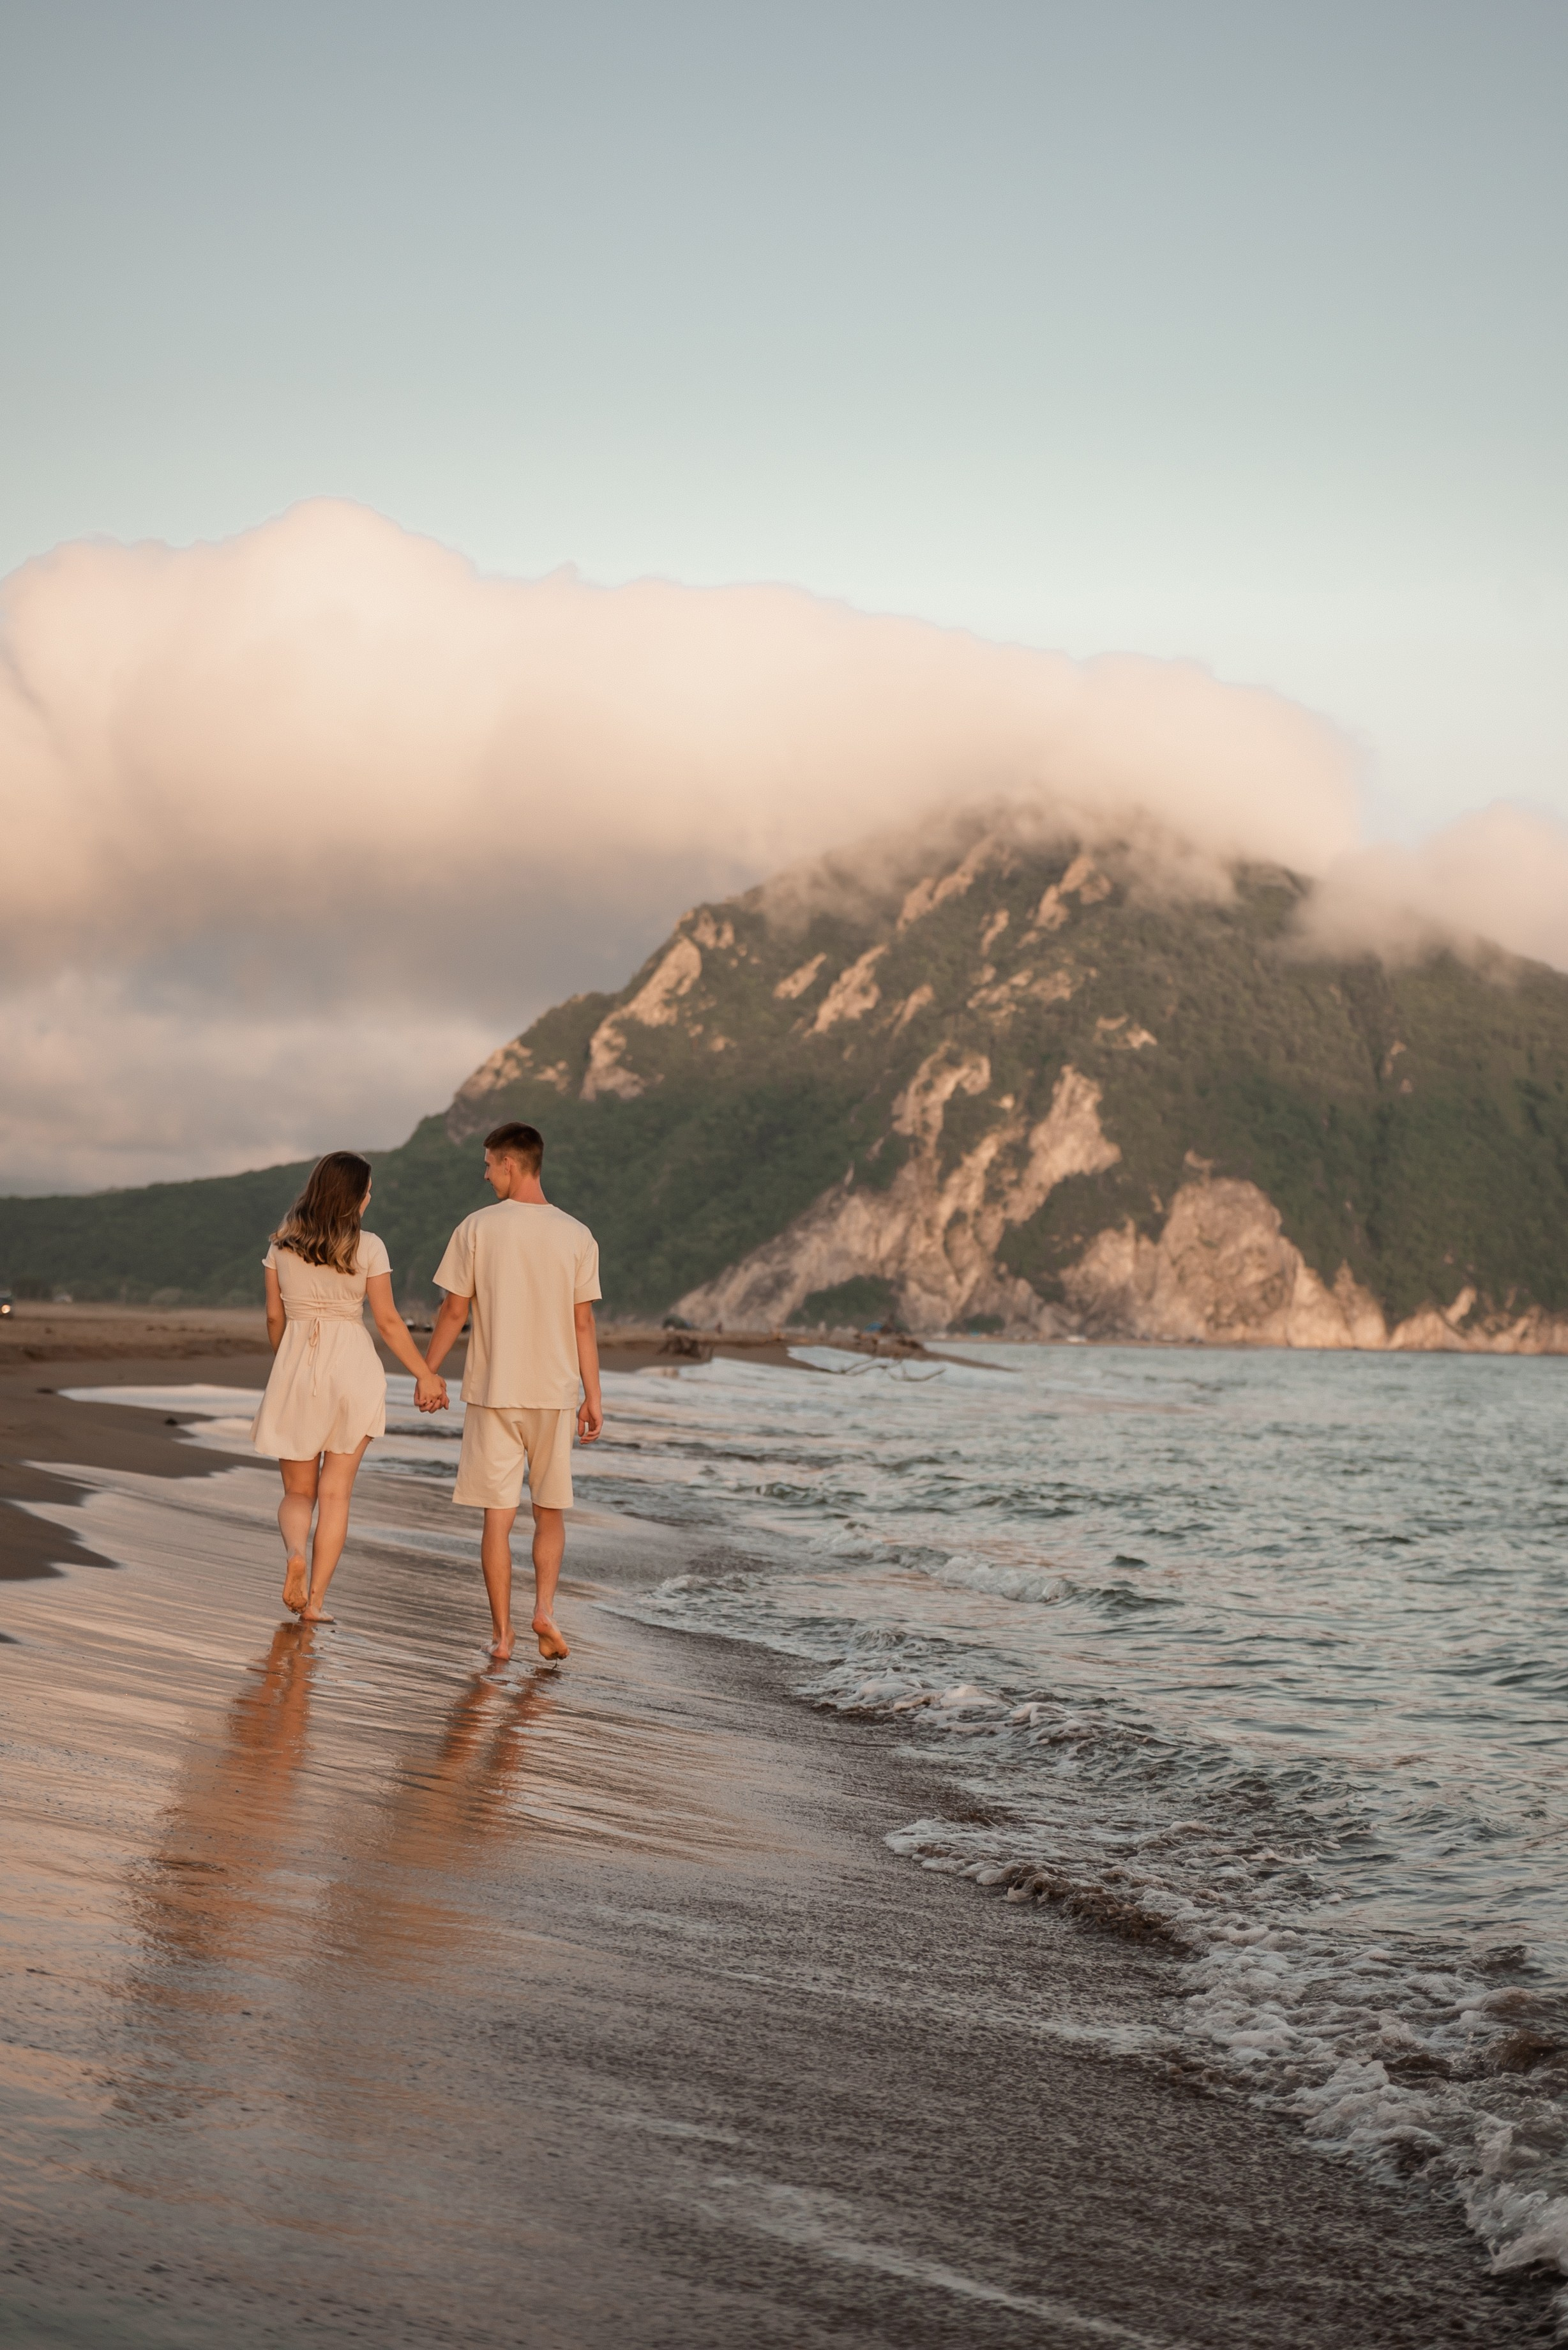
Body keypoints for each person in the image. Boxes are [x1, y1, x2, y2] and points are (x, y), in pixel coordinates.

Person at [423, 1122, 604, 1662]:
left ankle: (503, 1638)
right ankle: (544, 1610)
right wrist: (592, 1396)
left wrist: (427, 1372)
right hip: (553, 1391)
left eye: (488, 1164)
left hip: (495, 1392)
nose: (484, 1174)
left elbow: (453, 1310)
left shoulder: (476, 1228)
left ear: (510, 1163)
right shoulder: (577, 1234)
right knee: (550, 1512)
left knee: (496, 1519)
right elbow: (583, 1326)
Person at [252, 1151, 447, 1622]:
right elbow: (387, 1321)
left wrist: (288, 1362)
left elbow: (274, 1317)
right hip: (354, 1368)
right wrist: (425, 1373)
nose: (371, 1195)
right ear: (355, 1197)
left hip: (299, 1364)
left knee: (300, 1493)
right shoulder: (370, 1246)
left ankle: (296, 1553)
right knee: (336, 1493)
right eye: (367, 1189)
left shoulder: (281, 1246)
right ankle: (315, 1603)